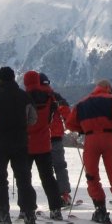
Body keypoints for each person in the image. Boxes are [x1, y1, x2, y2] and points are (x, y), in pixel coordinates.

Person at [0, 66, 39, 224]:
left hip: (0, 142)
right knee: (24, 178)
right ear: (13, 78)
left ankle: (3, 212)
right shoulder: (24, 97)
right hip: (20, 141)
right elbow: (33, 119)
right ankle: (29, 212)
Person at [67, 79, 112, 224]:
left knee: (92, 176)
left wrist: (83, 129)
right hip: (109, 139)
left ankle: (100, 211)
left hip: (90, 139)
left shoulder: (82, 103)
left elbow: (70, 123)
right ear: (108, 88)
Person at [22, 70, 65, 220]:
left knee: (24, 178)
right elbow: (51, 118)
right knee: (48, 178)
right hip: (44, 143)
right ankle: (55, 209)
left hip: (26, 144)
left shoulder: (22, 98)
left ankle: (26, 209)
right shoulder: (48, 98)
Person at [40, 72, 73, 206]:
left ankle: (51, 198)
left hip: (39, 138)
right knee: (60, 166)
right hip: (56, 138)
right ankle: (64, 195)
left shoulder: (32, 97)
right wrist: (70, 126)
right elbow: (67, 113)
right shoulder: (55, 97)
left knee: (44, 170)